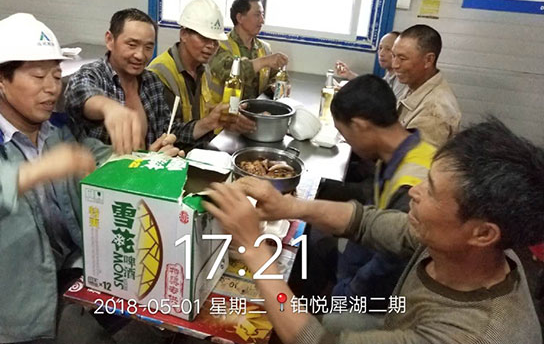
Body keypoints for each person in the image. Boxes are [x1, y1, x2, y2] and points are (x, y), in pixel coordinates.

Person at [0, 13, 181, 343]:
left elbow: (98, 157)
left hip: (76, 276)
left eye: (56, 75)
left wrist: (144, 162)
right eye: (38, 76)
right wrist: (32, 173)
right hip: (14, 306)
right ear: (0, 80)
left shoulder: (58, 132)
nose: (52, 87)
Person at [205, 117, 544, 343]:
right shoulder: (464, 246)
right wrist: (289, 207)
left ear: (483, 233)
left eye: (431, 190)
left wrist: (254, 248)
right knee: (334, 318)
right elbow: (367, 222)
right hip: (398, 322)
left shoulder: (470, 334)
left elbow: (314, 341)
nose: (414, 192)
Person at [328, 75, 435, 303]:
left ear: (359, 125)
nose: (348, 142)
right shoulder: (408, 149)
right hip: (360, 258)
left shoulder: (411, 186)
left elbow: (385, 269)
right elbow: (372, 200)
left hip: (374, 296)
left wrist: (345, 294)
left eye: (345, 134)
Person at [65, 8, 225, 154]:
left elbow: (168, 128)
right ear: (110, 40)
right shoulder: (94, 75)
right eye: (132, 45)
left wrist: (209, 123)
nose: (140, 55)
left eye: (148, 47)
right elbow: (81, 92)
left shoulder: (151, 82)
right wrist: (109, 108)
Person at [148, 0, 255, 135]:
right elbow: (163, 132)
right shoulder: (159, 74)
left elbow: (199, 114)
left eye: (215, 41)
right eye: (204, 38)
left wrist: (224, 117)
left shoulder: (204, 69)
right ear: (184, 35)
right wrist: (208, 123)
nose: (211, 46)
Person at [392, 24, 461, 148]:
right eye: (393, 56)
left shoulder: (434, 111)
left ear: (428, 60)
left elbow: (415, 158)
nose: (395, 65)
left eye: (402, 58)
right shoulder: (415, 84)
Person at [209, 0, 288, 100]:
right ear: (240, 18)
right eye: (257, 15)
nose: (262, 21)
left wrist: (275, 86)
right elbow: (229, 72)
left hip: (256, 108)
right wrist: (263, 62)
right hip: (224, 109)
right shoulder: (219, 45)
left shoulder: (265, 48)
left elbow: (274, 76)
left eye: (262, 15)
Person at [335, 32, 408, 100]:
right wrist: (349, 74)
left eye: (388, 49)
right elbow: (374, 89)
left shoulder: (401, 79)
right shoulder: (389, 74)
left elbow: (387, 104)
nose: (381, 53)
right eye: (380, 48)